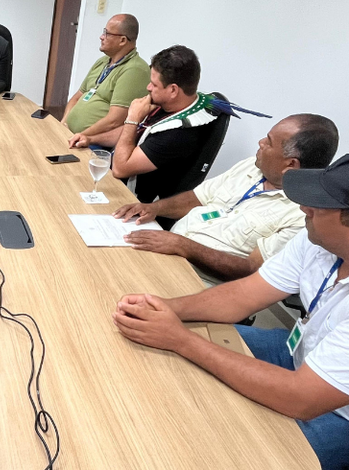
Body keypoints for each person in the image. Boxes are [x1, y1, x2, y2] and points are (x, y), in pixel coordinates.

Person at [112, 154, 349, 469]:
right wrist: (167, 308)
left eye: (319, 204)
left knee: (229, 452)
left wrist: (179, 338)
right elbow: (243, 295)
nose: (305, 208)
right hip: (302, 352)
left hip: (336, 410)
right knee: (159, 355)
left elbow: (301, 398)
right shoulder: (319, 240)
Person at [113, 114, 339, 287]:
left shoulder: (303, 216)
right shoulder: (251, 166)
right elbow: (196, 198)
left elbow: (252, 270)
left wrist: (183, 246)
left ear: (291, 164)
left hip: (198, 283)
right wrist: (153, 208)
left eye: (269, 142)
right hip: (165, 252)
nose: (260, 142)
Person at [111, 45, 217, 204]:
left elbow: (120, 169)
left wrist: (132, 118)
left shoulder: (179, 134)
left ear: (173, 90)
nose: (148, 88)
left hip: (134, 202)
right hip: (117, 175)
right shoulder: (175, 105)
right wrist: (91, 138)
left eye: (154, 84)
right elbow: (135, 134)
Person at [65, 14, 150, 149]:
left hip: (94, 142)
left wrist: (80, 135)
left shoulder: (135, 70)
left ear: (122, 40)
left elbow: (114, 121)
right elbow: (77, 96)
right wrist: (63, 124)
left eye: (107, 33)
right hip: (71, 134)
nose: (101, 37)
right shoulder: (102, 62)